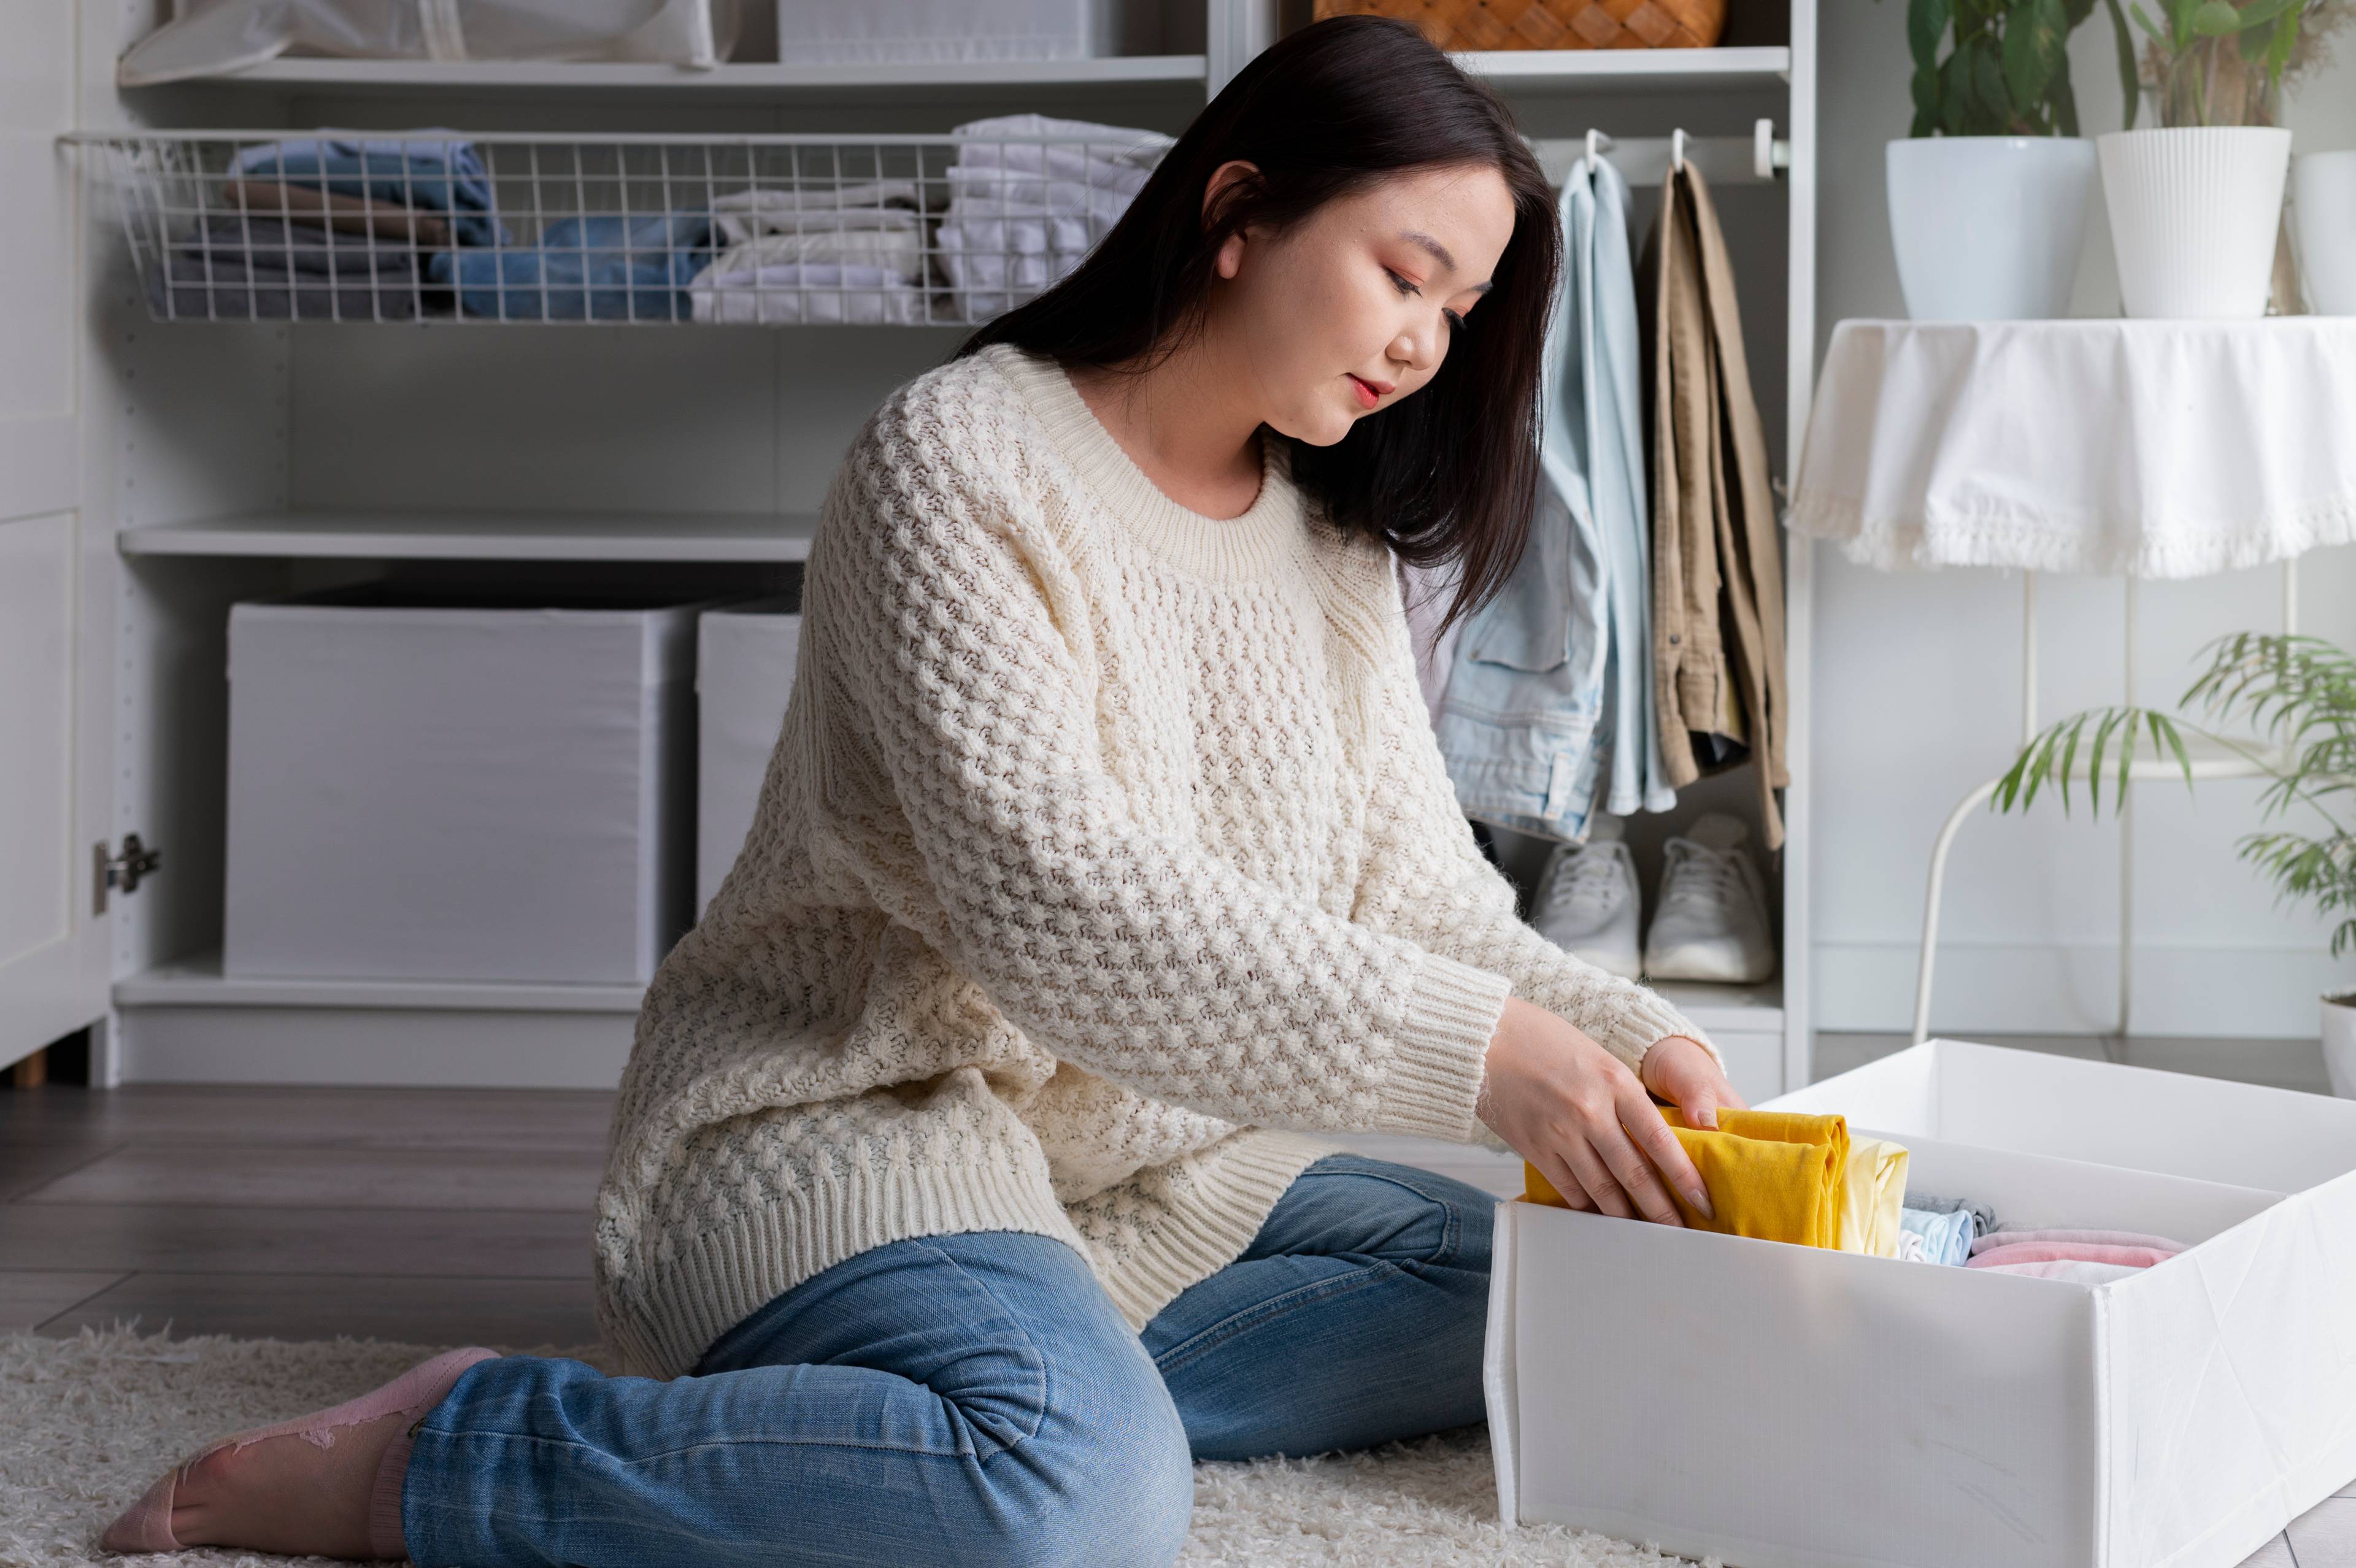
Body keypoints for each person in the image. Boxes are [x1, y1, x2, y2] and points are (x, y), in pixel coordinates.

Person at [101, 15, 1748, 1566]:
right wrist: (1486, 1057)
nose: (1423, 342)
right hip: (855, 1122)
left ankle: (886, 1422)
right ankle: (453, 1448)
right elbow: (1061, 906)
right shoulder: (955, 458)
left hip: (1136, 1173)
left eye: (1459, 313)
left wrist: (1629, 1040)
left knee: (1575, 1289)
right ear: (1242, 211)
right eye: (1408, 274)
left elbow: (1417, 892)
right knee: (1075, 1494)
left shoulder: (1328, 547)